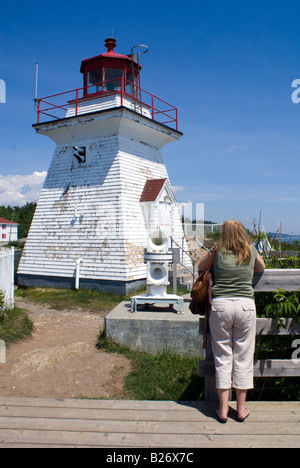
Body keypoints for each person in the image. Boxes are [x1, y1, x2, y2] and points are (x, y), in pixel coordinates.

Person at [198, 220, 265, 423]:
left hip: (220, 307)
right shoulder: (249, 249)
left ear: (224, 233)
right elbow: (261, 268)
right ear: (242, 232)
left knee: (223, 357)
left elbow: (200, 266)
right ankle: (242, 409)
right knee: (243, 356)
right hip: (245, 306)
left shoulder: (217, 249)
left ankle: (223, 409)